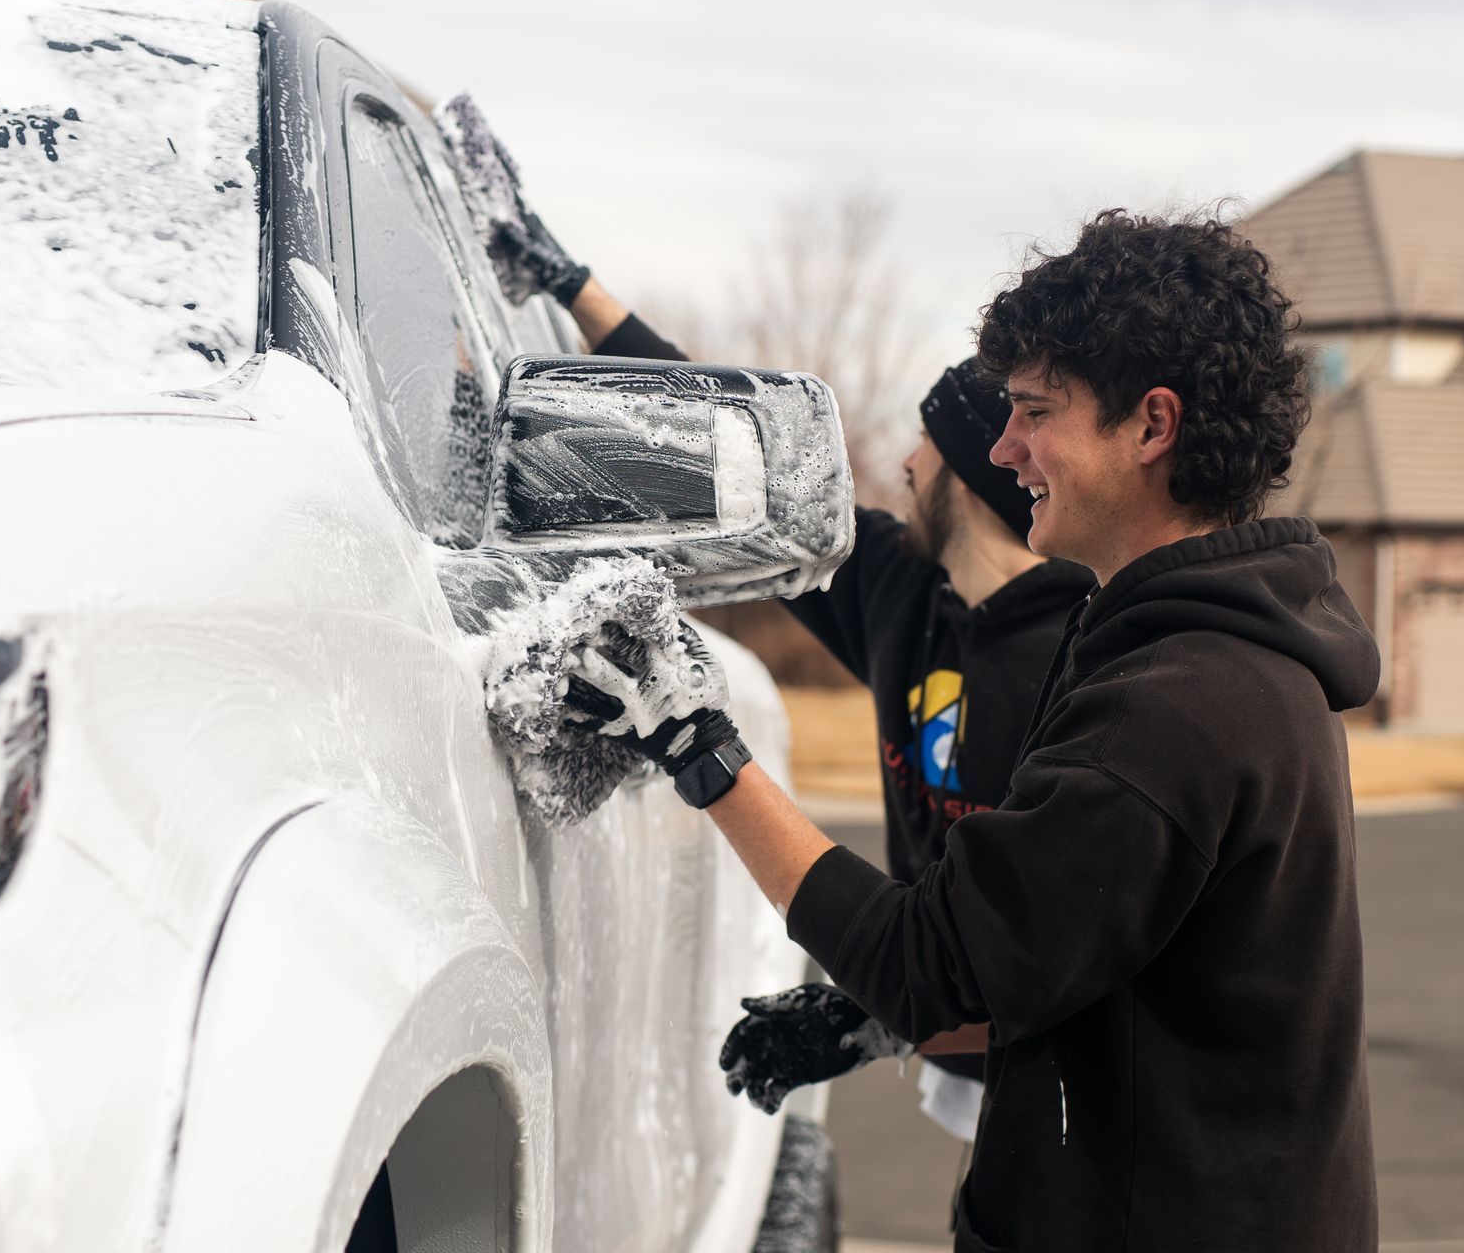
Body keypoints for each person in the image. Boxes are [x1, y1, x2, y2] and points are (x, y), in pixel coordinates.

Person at [575, 208, 1382, 1251]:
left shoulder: (1179, 706)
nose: (1006, 449)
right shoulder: (1194, 654)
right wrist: (875, 1015)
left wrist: (699, 747)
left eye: (1037, 411)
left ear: (1152, 426)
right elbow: (1064, 950)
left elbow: (930, 961)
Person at [435, 95, 1094, 1161]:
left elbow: (1068, 946)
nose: (901, 464)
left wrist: (879, 1009)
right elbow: (719, 444)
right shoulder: (899, 587)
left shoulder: (1080, 662)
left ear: (973, 476)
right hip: (958, 1034)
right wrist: (567, 282)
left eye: (924, 446)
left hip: (1068, 1090)